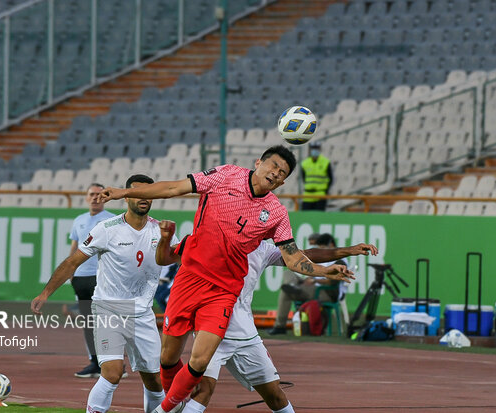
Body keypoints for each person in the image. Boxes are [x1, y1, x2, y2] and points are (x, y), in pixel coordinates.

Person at [97, 145, 354, 413]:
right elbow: (173, 188)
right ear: (259, 163)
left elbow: (291, 257)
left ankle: (163, 411)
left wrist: (325, 270)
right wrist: (124, 192)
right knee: (168, 359)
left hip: (224, 290)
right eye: (273, 166)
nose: (276, 174)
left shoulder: (276, 213)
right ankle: (173, 405)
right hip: (189, 279)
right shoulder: (226, 175)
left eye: (282, 173)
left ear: (284, 182)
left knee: (199, 362)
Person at [156, 224, 377, 413]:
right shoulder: (211, 240)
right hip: (212, 330)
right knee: (203, 391)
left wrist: (348, 251)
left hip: (245, 334)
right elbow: (168, 258)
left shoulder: (263, 250)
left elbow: (305, 254)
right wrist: (165, 241)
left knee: (275, 396)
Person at [31, 174, 179, 413]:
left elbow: (179, 262)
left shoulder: (160, 230)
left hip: (142, 313)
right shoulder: (107, 229)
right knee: (112, 372)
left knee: (154, 380)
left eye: (147, 193)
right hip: (109, 308)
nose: (143, 198)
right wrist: (45, 293)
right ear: (126, 196)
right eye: (136, 192)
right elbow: (72, 262)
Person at [68, 183, 116, 378]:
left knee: (105, 321)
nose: (95, 197)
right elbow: (74, 247)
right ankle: (95, 362)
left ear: (105, 197)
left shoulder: (112, 220)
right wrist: (70, 273)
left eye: (99, 194)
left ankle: (113, 363)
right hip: (81, 277)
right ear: (86, 197)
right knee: (88, 321)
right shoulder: (79, 220)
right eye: (92, 194)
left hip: (101, 277)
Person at [268, 233, 358, 335]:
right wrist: (310, 278)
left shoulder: (340, 261)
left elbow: (332, 282)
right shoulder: (324, 258)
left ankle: (280, 325)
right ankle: (294, 287)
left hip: (326, 292)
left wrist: (315, 281)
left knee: (286, 292)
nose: (321, 249)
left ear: (331, 245)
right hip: (313, 287)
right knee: (288, 273)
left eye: (323, 247)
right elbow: (315, 272)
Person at [300, 141, 333, 210]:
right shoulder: (305, 163)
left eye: (316, 148)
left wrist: (325, 191)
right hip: (308, 194)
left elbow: (331, 179)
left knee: (319, 217)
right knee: (305, 217)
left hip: (320, 194)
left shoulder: (326, 162)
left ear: (320, 149)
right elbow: (304, 179)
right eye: (313, 148)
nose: (314, 150)